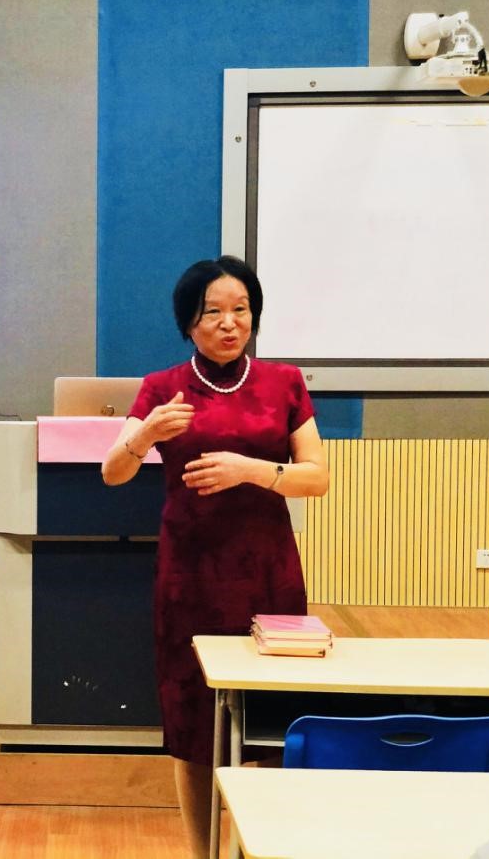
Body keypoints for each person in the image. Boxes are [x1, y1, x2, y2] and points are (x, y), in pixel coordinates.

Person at [101, 255, 329, 858]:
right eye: (213, 313)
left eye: (241, 310)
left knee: (275, 719)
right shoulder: (162, 387)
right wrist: (145, 434)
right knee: (194, 725)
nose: (230, 324)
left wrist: (250, 469)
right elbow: (112, 472)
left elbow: (317, 477)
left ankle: (261, 846)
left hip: (269, 574)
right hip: (190, 578)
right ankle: (202, 853)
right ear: (188, 322)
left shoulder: (285, 382)